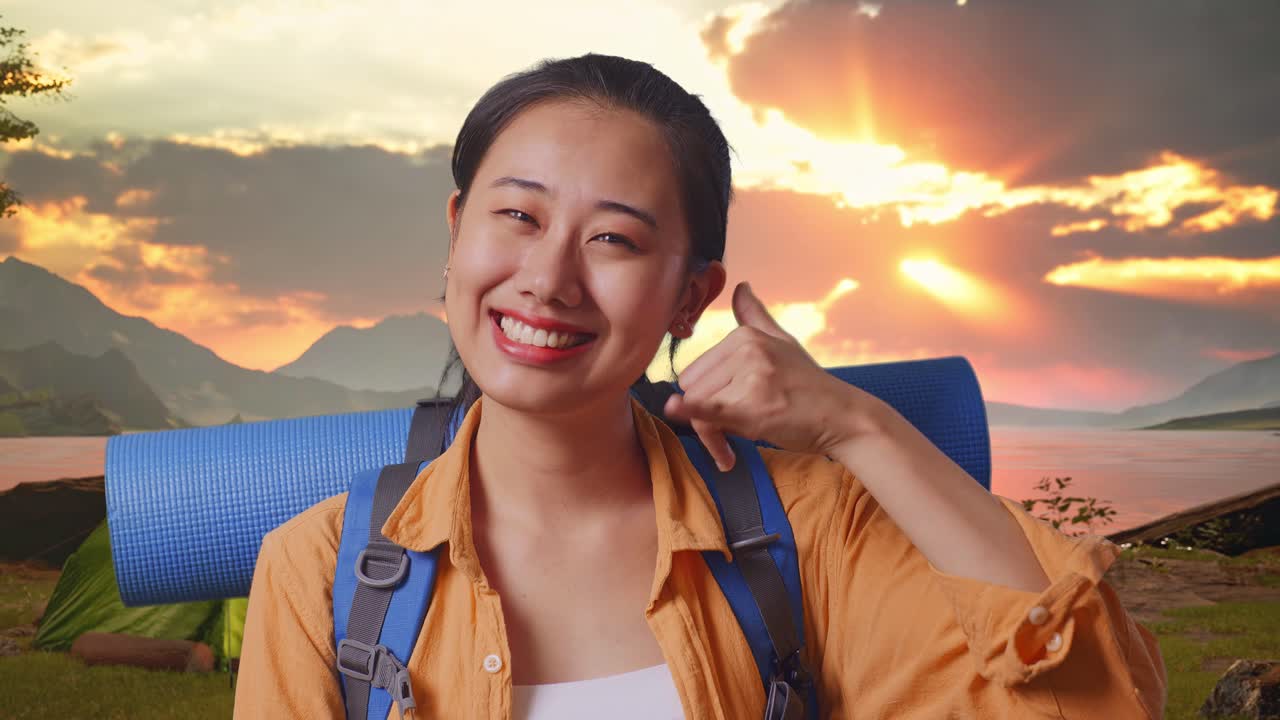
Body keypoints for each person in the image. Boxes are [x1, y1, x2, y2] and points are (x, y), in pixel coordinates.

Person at [233, 53, 1167, 719]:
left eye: (614, 238)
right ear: (455, 231)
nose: (548, 279)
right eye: (516, 215)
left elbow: (1091, 700)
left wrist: (857, 427)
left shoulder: (805, 537)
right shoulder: (321, 572)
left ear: (691, 296)